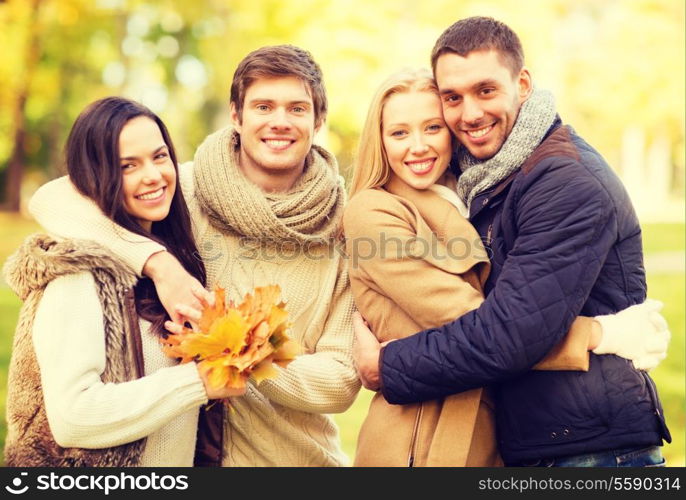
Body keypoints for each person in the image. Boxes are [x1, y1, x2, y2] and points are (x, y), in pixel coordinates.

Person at [352, 17, 671, 467]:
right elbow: (498, 320)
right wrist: (602, 334)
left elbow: (508, 332)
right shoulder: (487, 180)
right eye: (453, 98)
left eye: (485, 90)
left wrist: (387, 366)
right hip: (533, 440)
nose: (470, 113)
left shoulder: (562, 181)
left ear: (522, 84)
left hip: (590, 448)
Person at [28, 45, 359, 467]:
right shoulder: (181, 189)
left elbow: (341, 379)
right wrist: (159, 264)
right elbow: (54, 197)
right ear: (236, 116)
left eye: (297, 108)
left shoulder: (344, 225)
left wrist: (239, 350)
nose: (279, 121)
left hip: (296, 461)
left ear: (318, 119)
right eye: (263, 106)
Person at [3, 97, 243, 467]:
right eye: (127, 166)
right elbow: (73, 417)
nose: (153, 176)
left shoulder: (174, 256)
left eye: (159, 157)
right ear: (95, 177)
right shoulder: (79, 274)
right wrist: (197, 382)